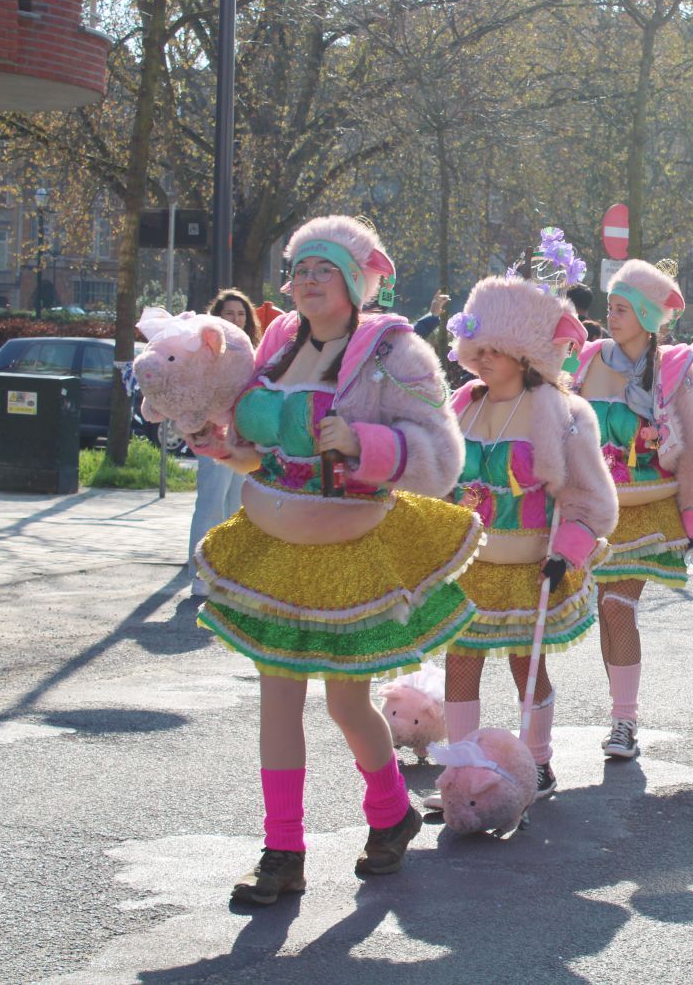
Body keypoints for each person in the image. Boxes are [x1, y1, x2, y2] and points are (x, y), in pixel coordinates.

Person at [190, 216, 482, 904]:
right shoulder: (276, 344)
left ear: (355, 280)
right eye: (300, 269)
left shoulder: (395, 350)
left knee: (346, 702)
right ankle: (282, 852)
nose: (309, 280)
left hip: (351, 548)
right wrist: (224, 448)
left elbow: (442, 458)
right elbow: (263, 454)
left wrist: (363, 443)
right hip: (274, 548)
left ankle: (390, 811)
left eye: (325, 269)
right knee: (277, 697)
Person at [432, 229, 618, 802]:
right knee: (460, 665)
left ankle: (537, 763)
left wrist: (568, 552)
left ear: (525, 352)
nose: (483, 359)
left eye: (496, 349)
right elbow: (437, 480)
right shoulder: (462, 404)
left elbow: (591, 500)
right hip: (469, 567)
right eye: (478, 348)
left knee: (526, 667)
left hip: (530, 569)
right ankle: (463, 771)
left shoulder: (562, 410)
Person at [573, 259, 693, 760]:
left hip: (646, 508)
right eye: (610, 307)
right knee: (604, 609)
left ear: (648, 316)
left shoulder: (677, 375)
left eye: (622, 309)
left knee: (618, 606)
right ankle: (620, 714)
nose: (611, 317)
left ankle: (625, 723)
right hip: (592, 511)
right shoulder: (585, 362)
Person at [188, 288, 263, 596]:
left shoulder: (253, 351)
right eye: (229, 313)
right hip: (214, 435)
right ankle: (201, 573)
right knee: (211, 503)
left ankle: (228, 574)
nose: (236, 318)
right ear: (217, 317)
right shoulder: (205, 351)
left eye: (241, 314)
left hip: (243, 436)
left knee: (236, 505)